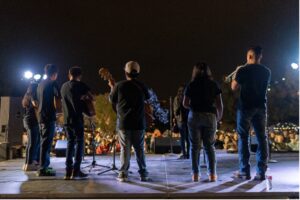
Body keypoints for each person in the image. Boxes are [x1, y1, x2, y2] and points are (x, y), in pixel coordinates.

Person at [231, 46, 271, 181]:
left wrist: (237, 71)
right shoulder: (266, 71)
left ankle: (244, 171)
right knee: (261, 138)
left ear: (249, 56)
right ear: (260, 56)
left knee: (243, 137)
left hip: (245, 107)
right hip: (260, 106)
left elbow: (233, 87)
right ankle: (261, 172)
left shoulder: (243, 70)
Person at [109, 61, 150, 182]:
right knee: (139, 149)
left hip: (124, 122)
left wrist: (112, 87)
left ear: (125, 72)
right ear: (138, 73)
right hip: (139, 122)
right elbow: (147, 98)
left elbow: (112, 99)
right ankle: (143, 173)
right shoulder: (142, 86)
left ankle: (123, 174)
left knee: (125, 149)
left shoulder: (119, 85)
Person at [183, 62, 223, 182]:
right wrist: (219, 116)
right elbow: (220, 104)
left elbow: (184, 103)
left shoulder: (191, 85)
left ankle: (195, 175)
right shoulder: (214, 85)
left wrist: (194, 108)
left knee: (195, 147)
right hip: (210, 116)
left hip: (194, 116)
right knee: (209, 147)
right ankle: (212, 175)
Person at [61, 66, 94, 180]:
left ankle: (67, 172)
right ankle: (76, 171)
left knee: (70, 143)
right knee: (80, 142)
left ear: (69, 74)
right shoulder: (81, 85)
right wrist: (84, 97)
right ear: (80, 75)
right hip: (77, 118)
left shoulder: (63, 86)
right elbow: (91, 97)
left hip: (66, 119)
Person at [35, 64, 61, 176]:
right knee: (46, 142)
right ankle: (43, 168)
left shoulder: (40, 84)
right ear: (54, 74)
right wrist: (59, 112)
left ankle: (44, 166)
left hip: (40, 116)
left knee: (43, 142)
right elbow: (59, 96)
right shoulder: (53, 83)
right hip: (48, 116)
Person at [22, 82, 40, 171]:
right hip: (32, 120)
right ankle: (29, 164)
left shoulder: (27, 95)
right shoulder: (33, 94)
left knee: (30, 143)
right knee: (33, 143)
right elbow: (35, 104)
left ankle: (27, 163)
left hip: (27, 120)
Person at [173, 85, 190, 159]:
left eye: (182, 90)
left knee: (188, 138)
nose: (181, 92)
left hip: (188, 120)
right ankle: (184, 153)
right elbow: (175, 111)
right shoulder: (176, 99)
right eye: (180, 91)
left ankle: (188, 154)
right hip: (181, 121)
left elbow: (190, 108)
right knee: (183, 138)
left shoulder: (187, 98)